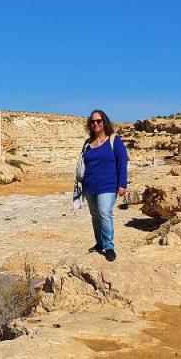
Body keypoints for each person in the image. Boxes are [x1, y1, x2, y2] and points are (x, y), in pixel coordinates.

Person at [74, 109, 128, 261]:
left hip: (108, 185)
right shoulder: (87, 144)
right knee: (95, 216)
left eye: (98, 121)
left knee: (104, 213)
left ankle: (109, 246)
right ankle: (99, 243)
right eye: (93, 121)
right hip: (90, 186)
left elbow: (122, 162)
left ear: (104, 122)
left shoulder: (114, 140)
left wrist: (122, 184)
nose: (95, 124)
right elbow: (82, 164)